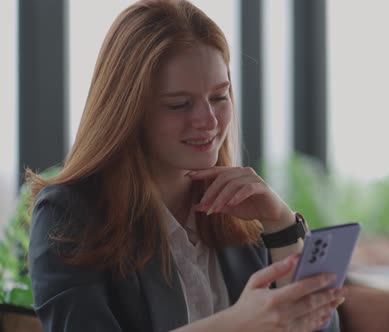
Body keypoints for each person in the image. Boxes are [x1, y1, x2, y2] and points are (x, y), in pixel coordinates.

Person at [26, 0, 345, 331]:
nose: (208, 121)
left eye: (219, 97)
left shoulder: (240, 209)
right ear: (128, 112)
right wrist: (234, 325)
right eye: (179, 105)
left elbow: (321, 326)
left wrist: (281, 225)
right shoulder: (68, 214)